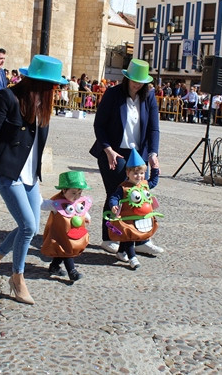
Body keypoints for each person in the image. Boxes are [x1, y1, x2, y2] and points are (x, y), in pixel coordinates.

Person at [0, 54, 68, 305]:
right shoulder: (7, 97)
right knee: (28, 227)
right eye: (51, 86)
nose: (54, 91)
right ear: (36, 82)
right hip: (7, 172)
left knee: (29, 226)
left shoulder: (43, 104)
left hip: (30, 176)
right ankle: (17, 278)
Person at [89, 58, 164, 257]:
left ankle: (141, 238)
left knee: (139, 195)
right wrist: (108, 150)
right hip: (113, 151)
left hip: (137, 153)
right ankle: (110, 238)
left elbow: (153, 128)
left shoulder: (148, 96)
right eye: (134, 80)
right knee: (118, 193)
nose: (137, 84)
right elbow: (99, 125)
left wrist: (153, 154)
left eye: (141, 82)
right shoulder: (113, 94)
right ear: (127, 78)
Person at [107, 148, 162, 270]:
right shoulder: (123, 187)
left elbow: (153, 181)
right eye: (135, 173)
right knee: (129, 236)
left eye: (141, 173)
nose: (139, 176)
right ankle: (133, 257)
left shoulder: (144, 184)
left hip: (140, 218)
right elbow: (114, 197)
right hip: (127, 218)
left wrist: (155, 168)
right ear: (128, 173)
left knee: (128, 237)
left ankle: (121, 252)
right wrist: (114, 205)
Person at [40, 171, 92, 283]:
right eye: (73, 193)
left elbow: (82, 211)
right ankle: (72, 272)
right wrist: (34, 194)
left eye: (79, 193)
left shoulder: (78, 201)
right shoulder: (56, 203)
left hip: (73, 233)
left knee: (63, 251)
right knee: (67, 251)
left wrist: (87, 216)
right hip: (60, 234)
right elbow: (43, 205)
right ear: (64, 190)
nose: (76, 196)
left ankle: (54, 267)